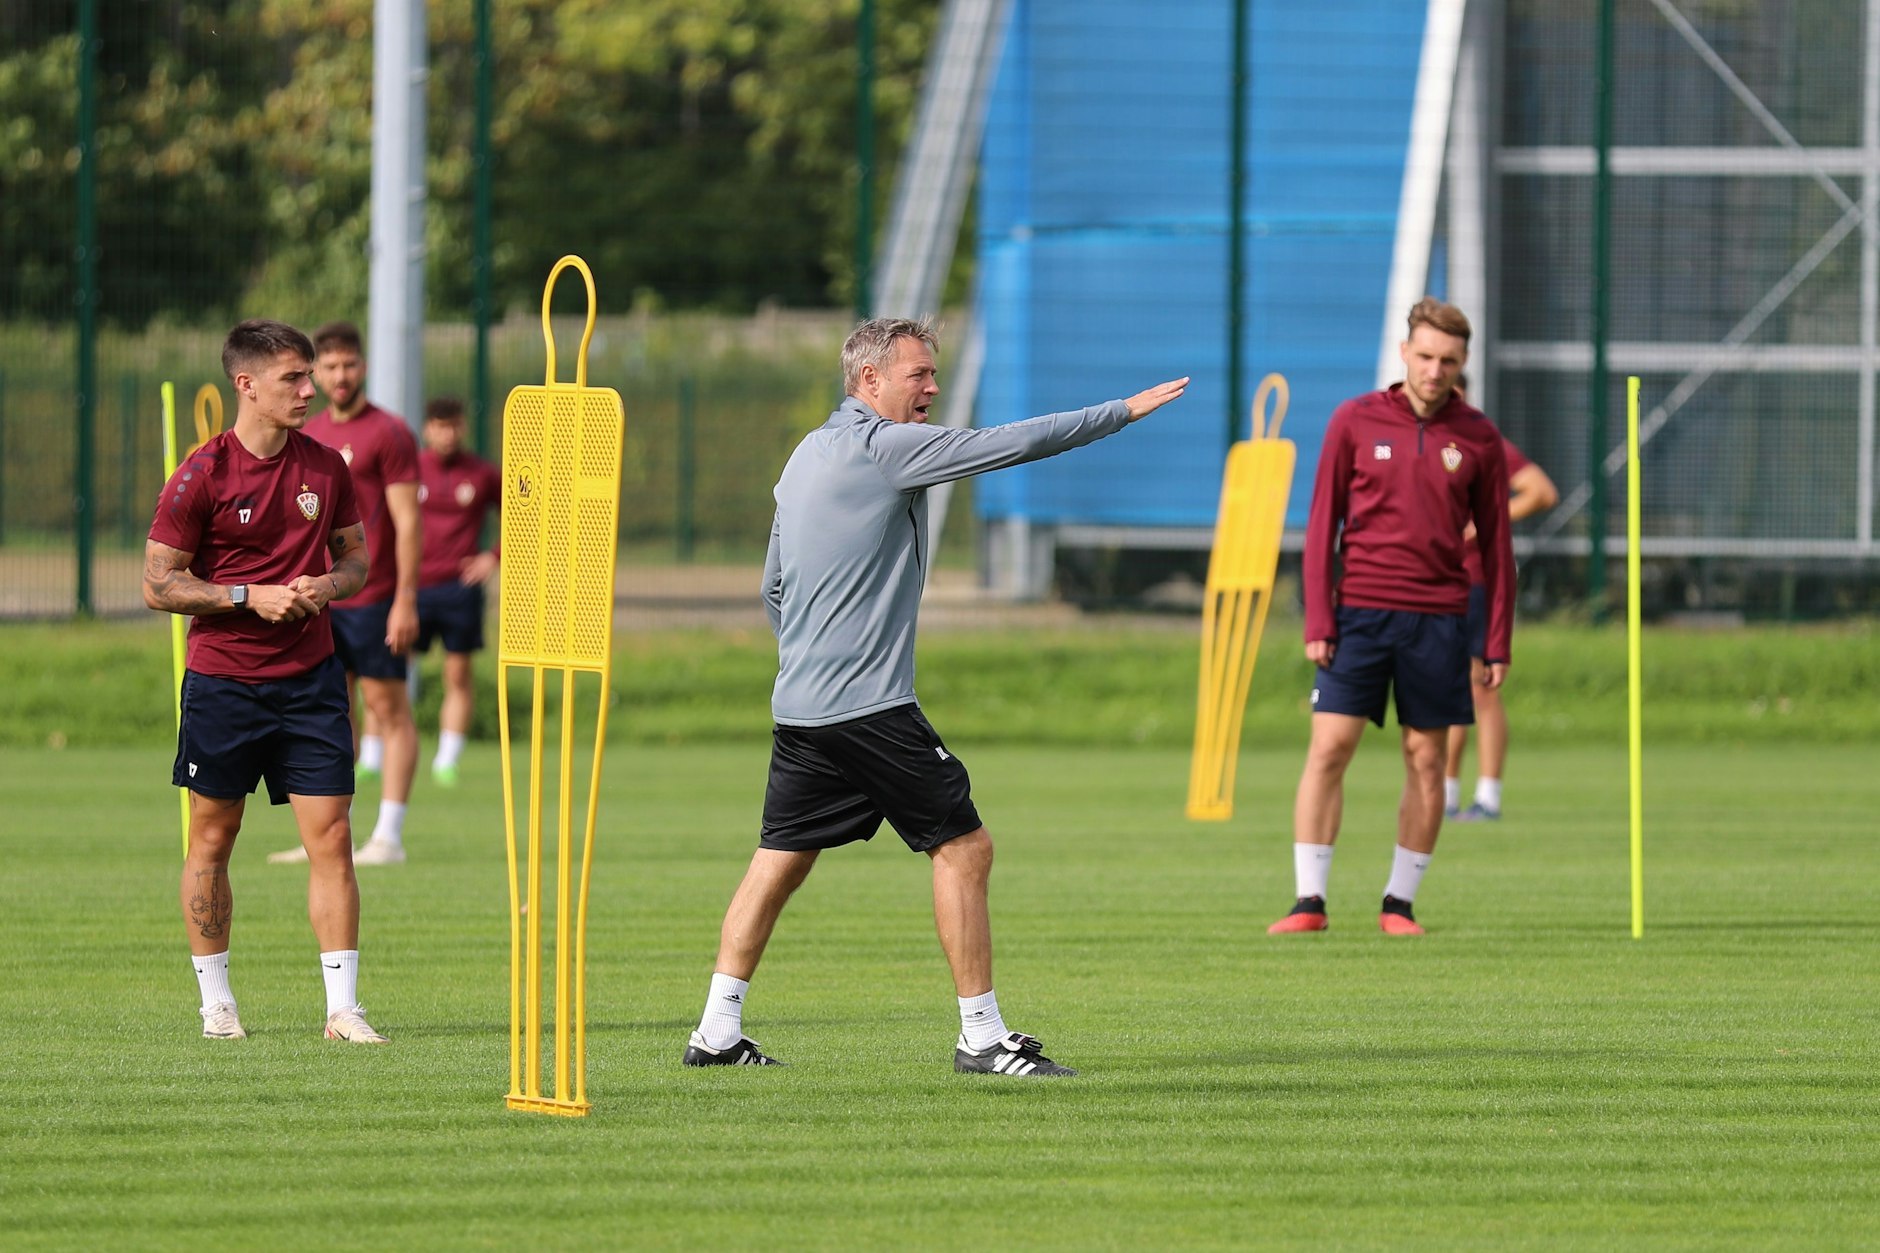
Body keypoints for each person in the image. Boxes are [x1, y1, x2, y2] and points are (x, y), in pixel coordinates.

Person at [683, 316, 1187, 1076]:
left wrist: (810, 660)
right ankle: (982, 1038)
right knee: (964, 846)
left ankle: (716, 1029)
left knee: (780, 857)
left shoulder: (804, 454)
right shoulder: (885, 448)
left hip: (803, 706)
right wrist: (1120, 411)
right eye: (918, 374)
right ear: (869, 381)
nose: (933, 387)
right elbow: (1011, 442)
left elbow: (772, 587)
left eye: (932, 372)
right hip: (869, 706)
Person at [143, 319, 389, 1044]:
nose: (311, 389)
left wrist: (326, 584)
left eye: (311, 375)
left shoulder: (326, 467)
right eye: (294, 378)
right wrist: (250, 595)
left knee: (333, 835)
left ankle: (343, 1009)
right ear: (246, 384)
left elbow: (357, 562)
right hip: (224, 683)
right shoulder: (201, 474)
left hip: (311, 680)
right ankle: (216, 1003)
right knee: (214, 837)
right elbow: (159, 584)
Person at [1268, 297, 1514, 938]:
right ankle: (1308, 902)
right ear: (1405, 354)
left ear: (1463, 365)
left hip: (1439, 621)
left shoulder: (1480, 437)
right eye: (1426, 356)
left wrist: (1496, 640)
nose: (1436, 370)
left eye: (1450, 361)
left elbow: (1496, 547)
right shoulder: (1353, 420)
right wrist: (1318, 618)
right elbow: (1322, 526)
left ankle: (1398, 905)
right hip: (1358, 617)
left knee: (1426, 760)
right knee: (1329, 748)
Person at [269, 321, 421, 867]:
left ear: (363, 367)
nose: (338, 376)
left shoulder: (390, 433)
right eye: (327, 367)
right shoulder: (309, 436)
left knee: (389, 708)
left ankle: (389, 835)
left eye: (348, 365)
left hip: (377, 599)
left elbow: (407, 522)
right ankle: (333, 836)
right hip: (323, 602)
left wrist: (406, 597)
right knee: (336, 716)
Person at [1444, 401, 1558, 822]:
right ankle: (1446, 795)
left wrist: (1487, 520)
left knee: (1481, 687)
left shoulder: (1481, 440)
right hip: (1434, 581)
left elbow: (1541, 491)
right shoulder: (1417, 442)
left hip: (1478, 581)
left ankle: (1487, 795)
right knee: (1446, 686)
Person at [413, 396, 501, 785]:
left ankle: (447, 760)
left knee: (458, 674)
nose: (446, 434)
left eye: (453, 425)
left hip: (459, 589)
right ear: (427, 428)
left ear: (463, 427)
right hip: (410, 588)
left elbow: (524, 513)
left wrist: (492, 557)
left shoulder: (482, 474)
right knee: (388, 676)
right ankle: (375, 756)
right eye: (439, 425)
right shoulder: (410, 469)